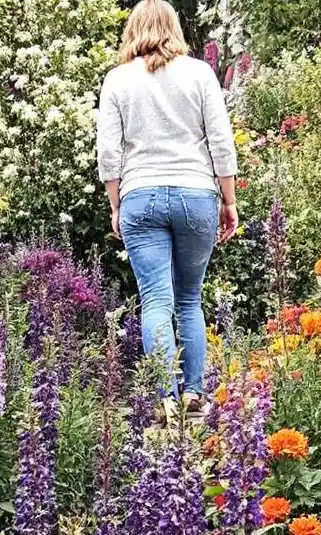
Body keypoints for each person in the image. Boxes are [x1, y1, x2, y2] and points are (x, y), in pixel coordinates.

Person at [96, 0, 238, 412]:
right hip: (196, 194)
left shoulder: (118, 80)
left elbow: (109, 152)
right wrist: (228, 201)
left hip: (140, 194)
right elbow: (221, 142)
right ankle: (194, 392)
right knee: (189, 299)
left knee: (156, 299)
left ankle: (165, 399)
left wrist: (116, 205)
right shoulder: (200, 74)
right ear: (174, 27)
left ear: (133, 29)